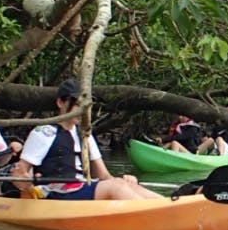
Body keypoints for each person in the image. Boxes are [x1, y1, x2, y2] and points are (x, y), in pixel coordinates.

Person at [13, 79, 163, 200]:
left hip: (79, 189)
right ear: (60, 103)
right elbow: (20, 174)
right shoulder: (44, 132)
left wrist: (126, 181)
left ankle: (168, 207)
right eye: (77, 104)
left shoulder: (84, 134)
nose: (82, 111)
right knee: (116, 186)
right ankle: (156, 217)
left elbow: (104, 176)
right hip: (55, 193)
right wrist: (24, 182)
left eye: (85, 106)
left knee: (124, 184)